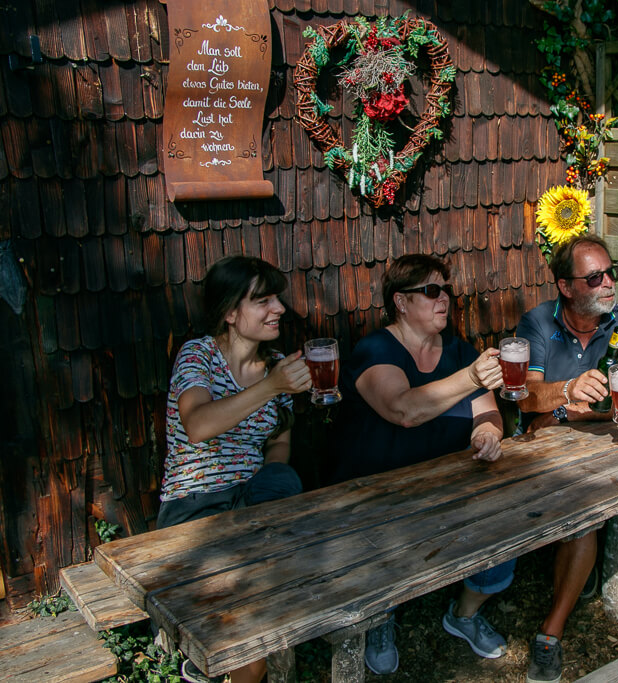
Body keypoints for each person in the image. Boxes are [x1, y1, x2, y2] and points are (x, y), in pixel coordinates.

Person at [332, 253, 516, 675]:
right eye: (431, 291)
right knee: (380, 537)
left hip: (446, 485)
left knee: (508, 515)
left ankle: (464, 614)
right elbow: (403, 410)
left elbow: (488, 414)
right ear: (400, 301)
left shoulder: (458, 349)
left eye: (446, 290)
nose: (444, 300)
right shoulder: (375, 348)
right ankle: (380, 618)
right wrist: (470, 378)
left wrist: (486, 435)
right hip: (376, 492)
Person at [158, 256, 313, 683]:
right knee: (253, 622)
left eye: (276, 298)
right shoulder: (199, 355)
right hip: (197, 507)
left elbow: (280, 441)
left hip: (255, 501)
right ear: (229, 312)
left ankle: (216, 650)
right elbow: (198, 425)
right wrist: (272, 386)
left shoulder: (275, 363)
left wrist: (268, 485)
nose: (278, 308)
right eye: (262, 300)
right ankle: (217, 650)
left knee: (287, 486)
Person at [515, 234, 618, 683]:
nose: (609, 283)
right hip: (548, 440)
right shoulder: (538, 321)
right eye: (595, 277)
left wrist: (584, 410)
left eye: (612, 273)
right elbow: (524, 398)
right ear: (566, 287)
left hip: (603, 441)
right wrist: (565, 394)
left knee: (585, 511)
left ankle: (550, 633)